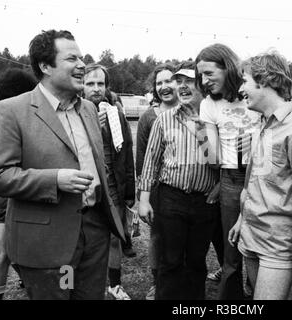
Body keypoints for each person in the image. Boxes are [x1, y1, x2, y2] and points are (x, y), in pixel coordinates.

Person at [0, 30, 124, 300]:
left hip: (94, 233)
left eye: (81, 57)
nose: (82, 65)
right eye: (71, 59)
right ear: (45, 66)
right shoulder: (11, 110)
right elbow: (0, 175)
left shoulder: (89, 109)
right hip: (48, 241)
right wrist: (54, 180)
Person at [228, 51, 292, 300]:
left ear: (265, 81)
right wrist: (241, 221)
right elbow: (256, 182)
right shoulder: (262, 124)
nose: (240, 89)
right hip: (250, 236)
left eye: (245, 80)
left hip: (277, 246)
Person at [138, 61, 220, 300]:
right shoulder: (164, 120)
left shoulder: (213, 119)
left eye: (189, 82)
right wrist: (144, 200)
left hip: (204, 202)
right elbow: (150, 161)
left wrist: (201, 131)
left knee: (196, 262)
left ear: (202, 86)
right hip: (171, 198)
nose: (182, 87)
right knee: (171, 261)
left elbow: (221, 160)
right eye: (179, 82)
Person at [196, 43, 260, 300]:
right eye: (200, 75)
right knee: (232, 252)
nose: (204, 80)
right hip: (231, 178)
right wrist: (201, 136)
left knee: (259, 248)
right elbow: (213, 158)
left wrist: (255, 140)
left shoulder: (253, 91)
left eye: (209, 73)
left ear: (228, 67)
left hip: (262, 178)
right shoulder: (208, 105)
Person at [83, 63, 135, 300]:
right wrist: (94, 125)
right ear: (81, 86)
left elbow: (126, 154)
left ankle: (115, 285)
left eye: (100, 84)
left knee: (115, 237)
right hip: (83, 186)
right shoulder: (71, 114)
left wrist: (130, 191)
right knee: (79, 242)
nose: (96, 89)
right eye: (90, 83)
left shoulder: (116, 114)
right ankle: (71, 284)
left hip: (112, 184)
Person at [135, 62, 178, 300]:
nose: (164, 86)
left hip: (183, 190)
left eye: (168, 80)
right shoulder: (148, 117)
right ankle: (156, 281)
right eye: (159, 83)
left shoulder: (192, 112)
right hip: (157, 190)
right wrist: (144, 196)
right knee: (157, 237)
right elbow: (142, 160)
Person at [0, 68, 37, 300]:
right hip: (8, 191)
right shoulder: (12, 113)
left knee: (9, 251)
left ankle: (29, 279)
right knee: (2, 253)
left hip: (9, 190)